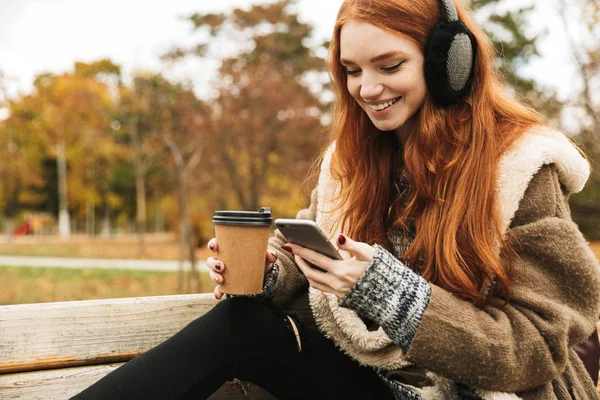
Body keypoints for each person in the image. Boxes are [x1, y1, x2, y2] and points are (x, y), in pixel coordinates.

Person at [72, 0, 600, 399]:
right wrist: (271, 274)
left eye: (389, 66)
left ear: (448, 64)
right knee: (242, 327)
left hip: (483, 391)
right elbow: (321, 264)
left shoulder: (519, 167)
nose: (366, 89)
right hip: (383, 382)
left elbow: (535, 348)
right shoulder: (352, 160)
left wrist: (392, 296)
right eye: (352, 70)